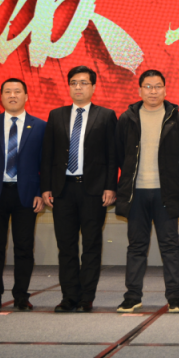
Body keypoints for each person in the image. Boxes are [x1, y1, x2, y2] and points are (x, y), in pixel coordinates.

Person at [41, 66, 118, 312]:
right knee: (66, 246)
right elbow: (48, 154)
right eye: (74, 82)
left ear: (93, 87)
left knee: (92, 245)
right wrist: (46, 187)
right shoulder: (56, 115)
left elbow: (112, 155)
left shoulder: (106, 115)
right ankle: (69, 297)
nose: (78, 87)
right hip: (63, 190)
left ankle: (86, 297)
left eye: (84, 83)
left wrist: (110, 186)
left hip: (93, 190)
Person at [115, 69, 179, 313]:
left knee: (170, 246)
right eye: (148, 87)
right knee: (136, 246)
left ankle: (175, 297)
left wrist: (171, 180)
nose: (153, 91)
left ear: (165, 90)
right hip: (136, 192)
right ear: (139, 90)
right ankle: (132, 296)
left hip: (165, 193)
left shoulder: (178, 119)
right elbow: (120, 153)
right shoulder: (127, 118)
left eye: (158, 86)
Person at [0, 78, 45, 312]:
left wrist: (40, 193)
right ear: (1, 96)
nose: (13, 95)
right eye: (8, 92)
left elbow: (44, 164)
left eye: (17, 91)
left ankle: (21, 296)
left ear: (26, 96)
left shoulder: (40, 126)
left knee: (24, 248)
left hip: (26, 196)